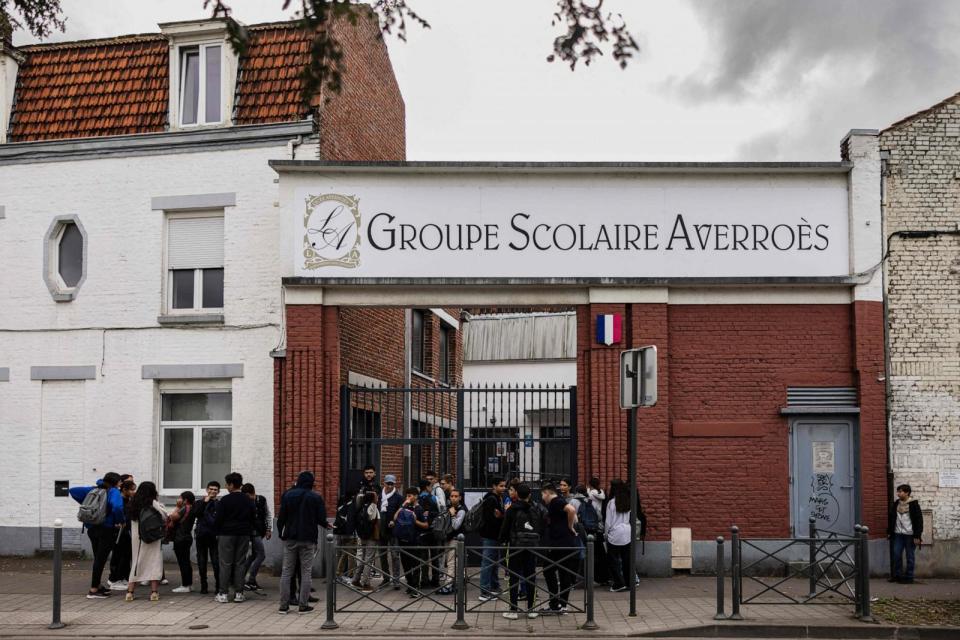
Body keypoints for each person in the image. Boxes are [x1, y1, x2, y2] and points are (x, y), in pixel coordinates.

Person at [277, 471, 328, 614]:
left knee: (286, 572)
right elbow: (321, 518)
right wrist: (326, 525)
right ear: (311, 482)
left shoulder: (288, 495)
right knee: (306, 572)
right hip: (308, 538)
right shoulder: (315, 497)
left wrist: (282, 533)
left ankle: (283, 605)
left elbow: (281, 518)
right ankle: (303, 605)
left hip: (290, 538)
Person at [69, 471, 125, 599]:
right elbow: (117, 507)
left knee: (98, 558)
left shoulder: (94, 489)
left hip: (92, 528)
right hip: (106, 529)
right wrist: (120, 520)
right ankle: (93, 589)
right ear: (116, 482)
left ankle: (98, 585)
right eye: (120, 481)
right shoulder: (113, 491)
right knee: (101, 559)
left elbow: (72, 491)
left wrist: (89, 504)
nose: (121, 483)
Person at [499, 483, 543, 619]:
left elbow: (505, 528)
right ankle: (531, 609)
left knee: (513, 577)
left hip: (515, 547)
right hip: (531, 547)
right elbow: (541, 526)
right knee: (531, 576)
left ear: (517, 494)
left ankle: (513, 609)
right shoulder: (535, 508)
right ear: (530, 495)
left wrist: (502, 540)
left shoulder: (512, 509)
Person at [214, 472, 256, 604]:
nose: (226, 486)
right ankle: (239, 593)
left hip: (226, 534)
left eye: (227, 484)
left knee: (225, 563)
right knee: (240, 563)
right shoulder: (248, 500)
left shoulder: (225, 500)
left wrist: (217, 531)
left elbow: (218, 519)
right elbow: (252, 517)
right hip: (243, 534)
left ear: (231, 485)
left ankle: (223, 593)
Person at [124, 481, 168, 602]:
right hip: (152, 536)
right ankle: (154, 592)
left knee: (137, 562)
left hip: (136, 537)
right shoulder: (152, 503)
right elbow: (164, 516)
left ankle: (130, 592)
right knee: (154, 561)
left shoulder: (133, 503)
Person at [539, 482, 579, 614]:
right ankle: (562, 604)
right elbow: (573, 514)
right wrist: (570, 526)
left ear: (547, 493)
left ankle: (555, 604)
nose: (542, 498)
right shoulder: (558, 501)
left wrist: (569, 527)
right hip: (566, 543)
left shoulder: (556, 501)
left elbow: (572, 510)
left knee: (548, 570)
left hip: (558, 543)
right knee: (564, 573)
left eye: (543, 495)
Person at [391, 487, 430, 597]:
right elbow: (395, 518)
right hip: (403, 540)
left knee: (415, 564)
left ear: (416, 496)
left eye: (410, 495)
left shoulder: (419, 509)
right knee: (406, 564)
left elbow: (426, 525)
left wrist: (415, 520)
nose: (408, 497)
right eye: (407, 495)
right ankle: (410, 584)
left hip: (415, 540)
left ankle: (415, 587)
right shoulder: (405, 507)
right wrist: (403, 505)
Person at [478, 476, 507, 601]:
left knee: (494, 563)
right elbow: (492, 519)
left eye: (504, 485)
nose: (503, 488)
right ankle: (484, 591)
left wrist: (501, 515)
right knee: (488, 563)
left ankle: (494, 587)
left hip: (495, 535)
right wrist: (501, 516)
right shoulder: (491, 499)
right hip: (490, 535)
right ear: (494, 486)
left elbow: (498, 516)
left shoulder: (498, 498)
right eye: (501, 486)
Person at [888, 483, 923, 584]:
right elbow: (891, 519)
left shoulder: (914, 505)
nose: (898, 494)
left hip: (910, 535)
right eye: (898, 491)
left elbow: (919, 521)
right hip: (898, 534)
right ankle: (897, 576)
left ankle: (909, 577)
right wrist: (889, 532)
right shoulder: (896, 504)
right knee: (896, 554)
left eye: (900, 492)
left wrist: (917, 536)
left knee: (910, 556)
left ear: (907, 493)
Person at [107, 479, 137, 591]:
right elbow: (117, 512)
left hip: (125, 531)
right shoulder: (119, 500)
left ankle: (123, 577)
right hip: (119, 531)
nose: (134, 492)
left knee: (126, 555)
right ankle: (115, 579)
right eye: (132, 489)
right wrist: (120, 523)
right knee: (119, 555)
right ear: (124, 489)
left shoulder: (128, 499)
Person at [192, 481, 221, 595]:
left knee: (215, 561)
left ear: (218, 491)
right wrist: (205, 502)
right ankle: (204, 586)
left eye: (215, 489)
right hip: (201, 535)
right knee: (201, 561)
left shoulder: (219, 504)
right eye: (211, 489)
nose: (213, 491)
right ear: (207, 490)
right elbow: (196, 514)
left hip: (214, 536)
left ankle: (218, 586)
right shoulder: (199, 502)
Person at [242, 483, 272, 592]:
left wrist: (269, 529)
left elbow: (267, 514)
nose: (246, 498)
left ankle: (241, 578)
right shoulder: (245, 502)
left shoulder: (261, 500)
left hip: (261, 530)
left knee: (253, 555)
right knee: (261, 555)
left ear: (252, 493)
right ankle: (251, 579)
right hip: (253, 532)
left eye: (248, 495)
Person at [437, 487, 467, 595]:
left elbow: (455, 526)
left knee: (451, 562)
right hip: (448, 538)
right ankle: (458, 583)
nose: (453, 498)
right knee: (454, 562)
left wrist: (453, 515)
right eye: (452, 496)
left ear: (460, 498)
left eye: (456, 496)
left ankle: (448, 585)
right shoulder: (449, 507)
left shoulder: (461, 510)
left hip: (455, 539)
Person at [604, 482, 632, 592]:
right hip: (627, 531)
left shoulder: (611, 503)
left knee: (613, 560)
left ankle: (618, 583)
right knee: (626, 560)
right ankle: (629, 582)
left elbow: (608, 521)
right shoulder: (628, 501)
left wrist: (606, 534)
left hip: (615, 532)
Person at [377, 474, 403, 590]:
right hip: (381, 530)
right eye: (388, 483)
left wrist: (394, 521)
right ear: (384, 483)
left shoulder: (398, 497)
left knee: (395, 555)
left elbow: (401, 512)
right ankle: (386, 578)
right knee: (382, 555)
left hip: (393, 531)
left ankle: (396, 580)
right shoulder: (379, 496)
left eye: (392, 484)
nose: (390, 486)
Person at [351, 489, 380, 592]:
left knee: (363, 558)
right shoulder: (373, 506)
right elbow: (374, 521)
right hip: (370, 537)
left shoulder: (362, 506)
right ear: (372, 498)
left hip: (362, 536)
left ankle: (355, 579)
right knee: (368, 559)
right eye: (376, 496)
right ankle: (366, 584)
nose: (377, 498)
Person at [167, 491, 196, 593]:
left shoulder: (184, 508)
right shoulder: (192, 507)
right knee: (186, 562)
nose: (179, 499)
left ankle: (185, 585)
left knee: (183, 562)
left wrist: (177, 506)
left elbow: (173, 517)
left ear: (185, 500)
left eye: (180, 498)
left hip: (181, 538)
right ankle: (189, 584)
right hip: (186, 537)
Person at [416, 479, 441, 588]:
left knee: (423, 557)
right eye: (431, 486)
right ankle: (436, 580)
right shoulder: (433, 498)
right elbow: (440, 512)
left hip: (421, 530)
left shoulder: (417, 499)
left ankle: (424, 580)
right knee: (435, 556)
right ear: (427, 487)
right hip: (433, 530)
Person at [586, 476, 609, 584]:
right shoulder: (601, 492)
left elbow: (587, 500)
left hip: (593, 519)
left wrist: (587, 490)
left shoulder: (591, 493)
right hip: (600, 519)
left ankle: (595, 575)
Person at [333, 489, 358, 584]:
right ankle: (350, 575)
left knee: (343, 554)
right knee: (351, 555)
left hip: (341, 533)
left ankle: (339, 574)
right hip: (350, 533)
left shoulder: (341, 505)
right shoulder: (352, 505)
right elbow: (352, 519)